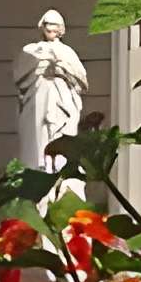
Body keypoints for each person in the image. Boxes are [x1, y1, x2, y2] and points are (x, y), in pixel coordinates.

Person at [11, 12, 89, 176]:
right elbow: (20, 76)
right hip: (39, 98)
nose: (51, 32)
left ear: (61, 30)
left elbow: (82, 80)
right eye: (48, 28)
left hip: (62, 100)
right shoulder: (31, 50)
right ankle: (40, 167)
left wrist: (62, 69)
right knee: (39, 136)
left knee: (60, 136)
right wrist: (41, 65)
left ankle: (60, 169)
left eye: (55, 28)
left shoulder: (67, 52)